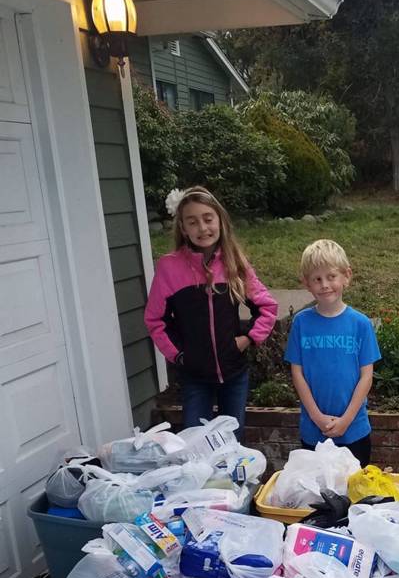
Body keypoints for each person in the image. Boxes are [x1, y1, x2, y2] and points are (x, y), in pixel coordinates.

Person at [144, 185, 277, 438]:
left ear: (220, 221)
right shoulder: (169, 268)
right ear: (183, 228)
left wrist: (249, 338)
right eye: (192, 222)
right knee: (195, 443)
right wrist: (180, 355)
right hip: (194, 376)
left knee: (232, 441)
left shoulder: (234, 262)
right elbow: (155, 319)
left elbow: (267, 306)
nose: (202, 228)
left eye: (208, 219)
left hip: (234, 373)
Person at [285, 240, 381, 467]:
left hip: (354, 430)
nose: (325, 285)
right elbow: (297, 374)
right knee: (318, 495)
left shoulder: (361, 324)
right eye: (317, 279)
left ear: (346, 276)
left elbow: (366, 377)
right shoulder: (301, 323)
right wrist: (317, 417)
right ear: (306, 283)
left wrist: (346, 420)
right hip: (313, 430)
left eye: (331, 277)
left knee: (355, 495)